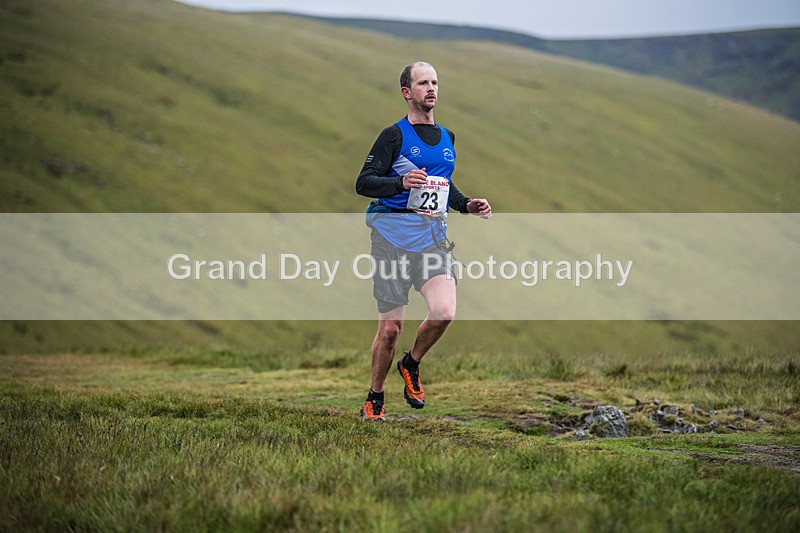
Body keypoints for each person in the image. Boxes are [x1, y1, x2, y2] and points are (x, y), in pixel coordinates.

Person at [355, 61, 492, 421]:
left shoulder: (447, 137)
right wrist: (400, 183)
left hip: (432, 241)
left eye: (435, 83)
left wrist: (466, 205)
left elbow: (443, 184)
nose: (431, 89)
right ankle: (375, 397)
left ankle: (411, 364)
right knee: (390, 331)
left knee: (444, 312)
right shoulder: (394, 136)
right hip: (391, 241)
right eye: (422, 83)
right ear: (407, 92)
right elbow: (364, 182)